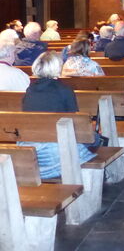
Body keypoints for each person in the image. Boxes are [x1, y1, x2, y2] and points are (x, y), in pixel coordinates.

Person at [19, 51, 96, 179]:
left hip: (32, 145)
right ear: (57, 67)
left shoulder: (30, 89)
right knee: (95, 138)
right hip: (54, 152)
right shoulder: (64, 90)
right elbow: (74, 120)